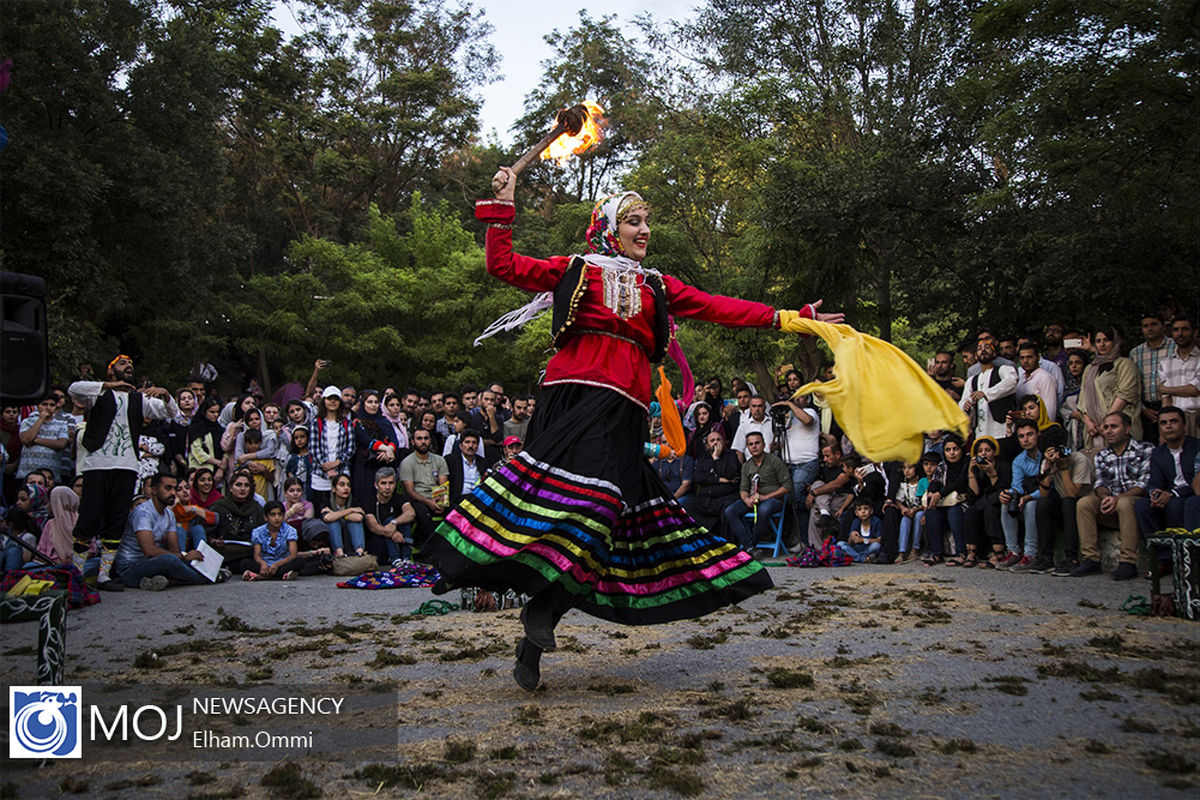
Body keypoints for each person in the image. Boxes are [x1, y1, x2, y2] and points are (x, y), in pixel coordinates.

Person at [423, 170, 842, 691]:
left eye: (647, 222)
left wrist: (790, 317)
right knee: (590, 510)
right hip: (574, 401)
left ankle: (536, 632)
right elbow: (501, 264)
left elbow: (719, 307)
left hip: (623, 414)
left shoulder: (656, 285)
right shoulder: (576, 269)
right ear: (608, 227)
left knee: (605, 530)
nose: (644, 230)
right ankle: (493, 579)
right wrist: (501, 207)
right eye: (633, 221)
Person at [69, 355, 179, 556]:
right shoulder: (97, 394)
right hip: (97, 465)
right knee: (89, 518)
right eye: (123, 363)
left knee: (116, 521)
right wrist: (108, 385)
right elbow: (74, 389)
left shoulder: (139, 399)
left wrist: (165, 394)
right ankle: (78, 573)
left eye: (131, 364)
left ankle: (104, 575)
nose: (129, 366)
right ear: (111, 371)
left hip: (127, 466)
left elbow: (171, 412)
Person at [1071, 412, 1153, 580]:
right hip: (1111, 504)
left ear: (1128, 428)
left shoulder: (1145, 449)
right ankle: (1091, 558)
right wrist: (1105, 496)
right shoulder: (1102, 454)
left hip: (1134, 505)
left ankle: (1128, 561)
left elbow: (1143, 485)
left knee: (1124, 503)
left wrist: (1118, 498)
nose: (1108, 431)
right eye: (1106, 427)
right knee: (1084, 503)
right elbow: (1100, 483)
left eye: (1114, 427)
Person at [112, 472, 210, 590]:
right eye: (168, 488)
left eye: (174, 488)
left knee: (177, 544)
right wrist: (184, 556)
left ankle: (170, 578)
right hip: (131, 568)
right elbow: (150, 550)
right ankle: (204, 578)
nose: (173, 493)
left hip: (153, 563)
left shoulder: (169, 513)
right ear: (154, 490)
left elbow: (174, 549)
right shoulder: (143, 513)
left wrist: (183, 556)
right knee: (169, 560)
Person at [1134, 407, 1198, 544]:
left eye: (1173, 421)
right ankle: (1162, 557)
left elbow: (1196, 483)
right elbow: (1155, 481)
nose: (1168, 426)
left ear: (1184, 425)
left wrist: (1173, 493)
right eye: (1163, 423)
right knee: (1142, 506)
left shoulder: (1196, 447)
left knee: (1177, 504)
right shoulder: (1157, 453)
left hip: (1190, 496)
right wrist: (1154, 493)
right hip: (1169, 497)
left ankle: (1186, 556)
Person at [1078, 325, 1142, 450]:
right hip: (1093, 429)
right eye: (1098, 341)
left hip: (1118, 424)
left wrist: (1106, 424)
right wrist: (1088, 422)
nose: (1102, 344)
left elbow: (1125, 394)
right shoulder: (1090, 368)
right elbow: (1083, 400)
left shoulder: (1125, 364)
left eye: (1106, 340)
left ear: (1115, 342)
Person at [722, 431, 790, 550]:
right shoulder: (746, 466)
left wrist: (766, 497)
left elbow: (787, 486)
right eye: (751, 444)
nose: (754, 446)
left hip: (773, 500)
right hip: (753, 499)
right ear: (747, 447)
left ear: (763, 444)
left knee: (764, 509)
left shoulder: (775, 461)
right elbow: (743, 489)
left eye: (757, 443)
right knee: (730, 511)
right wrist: (746, 499)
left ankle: (751, 545)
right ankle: (750, 547)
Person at [398, 428, 449, 551]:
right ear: (413, 442)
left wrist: (441, 502)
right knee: (423, 513)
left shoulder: (439, 460)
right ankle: (428, 550)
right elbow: (410, 491)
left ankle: (450, 550)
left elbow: (443, 484)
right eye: (419, 439)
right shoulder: (407, 462)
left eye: (426, 438)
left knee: (454, 512)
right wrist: (429, 503)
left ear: (430, 441)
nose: (423, 442)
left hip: (437, 497)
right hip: (418, 499)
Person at [1130, 311, 1176, 442]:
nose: (1150, 328)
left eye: (1154, 324)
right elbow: (1133, 385)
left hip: (1173, 405)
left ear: (1163, 326)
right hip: (1146, 410)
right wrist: (1144, 409)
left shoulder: (1175, 347)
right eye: (1146, 326)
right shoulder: (1135, 353)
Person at [351, 390, 401, 505]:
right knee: (365, 496)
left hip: (384, 463)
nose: (373, 405)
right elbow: (365, 439)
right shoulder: (358, 422)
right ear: (363, 404)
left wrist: (388, 451)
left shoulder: (385, 422)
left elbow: (394, 440)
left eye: (376, 402)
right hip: (365, 465)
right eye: (369, 402)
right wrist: (387, 449)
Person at [309, 385, 355, 511]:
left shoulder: (346, 423)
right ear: (324, 401)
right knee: (322, 511)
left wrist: (337, 462)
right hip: (320, 476)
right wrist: (325, 466)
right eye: (330, 398)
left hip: (341, 473)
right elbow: (313, 448)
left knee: (341, 511)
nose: (333, 402)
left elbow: (350, 447)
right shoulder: (316, 422)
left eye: (336, 399)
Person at [961, 340, 1018, 440]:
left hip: (1001, 430)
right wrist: (966, 405)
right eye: (979, 349)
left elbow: (1011, 382)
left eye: (987, 347)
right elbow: (963, 401)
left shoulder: (1003, 370)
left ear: (994, 353)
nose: (983, 350)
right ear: (975, 356)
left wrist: (986, 393)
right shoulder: (972, 380)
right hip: (980, 432)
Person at [688, 429, 740, 534]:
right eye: (712, 441)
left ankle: (726, 542)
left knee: (728, 510)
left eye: (718, 439)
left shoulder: (731, 455)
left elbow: (730, 475)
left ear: (723, 442)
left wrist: (716, 459)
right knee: (688, 506)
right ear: (707, 445)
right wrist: (719, 479)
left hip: (726, 497)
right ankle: (711, 532)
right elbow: (698, 478)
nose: (716, 442)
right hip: (707, 498)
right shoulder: (703, 458)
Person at [1157, 315, 1200, 437]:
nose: (1180, 333)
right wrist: (1163, 430)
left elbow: (1194, 389)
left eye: (1185, 329)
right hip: (1174, 420)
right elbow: (1166, 400)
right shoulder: (1165, 363)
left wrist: (1166, 389)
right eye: (1176, 330)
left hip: (1197, 417)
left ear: (1195, 331)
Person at [364, 467, 415, 565]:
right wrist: (392, 532)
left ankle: (406, 559)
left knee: (402, 521)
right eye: (383, 483)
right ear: (376, 485)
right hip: (379, 542)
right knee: (389, 521)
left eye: (391, 483)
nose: (387, 487)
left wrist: (394, 523)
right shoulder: (369, 502)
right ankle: (396, 559)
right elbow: (373, 526)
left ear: (395, 484)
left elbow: (410, 513)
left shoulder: (400, 498)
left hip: (401, 539)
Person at [240, 501, 302, 581]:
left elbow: (293, 555)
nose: (277, 518)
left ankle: (261, 577)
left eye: (280, 514)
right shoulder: (258, 531)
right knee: (244, 563)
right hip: (265, 563)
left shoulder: (290, 530)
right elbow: (257, 555)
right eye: (273, 515)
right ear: (266, 517)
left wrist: (277, 564)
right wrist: (263, 564)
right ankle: (280, 576)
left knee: (299, 562)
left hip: (282, 563)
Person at [17, 394, 70, 486]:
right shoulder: (27, 422)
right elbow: (26, 440)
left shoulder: (61, 424)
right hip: (27, 473)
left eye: (52, 405)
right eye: (44, 404)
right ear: (38, 406)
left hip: (51, 476)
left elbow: (61, 444)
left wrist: (37, 440)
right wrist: (41, 419)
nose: (48, 407)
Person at [321, 473, 365, 557]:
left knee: (354, 522)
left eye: (348, 485)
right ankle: (339, 553)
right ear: (334, 489)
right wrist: (350, 510)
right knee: (333, 522)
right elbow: (327, 518)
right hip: (333, 535)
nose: (346, 488)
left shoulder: (353, 500)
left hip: (349, 533)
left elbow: (359, 518)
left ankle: (359, 552)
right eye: (342, 485)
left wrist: (335, 514)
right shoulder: (327, 501)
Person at [36, 485, 80, 565]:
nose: (47, 506)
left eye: (50, 502)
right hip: (52, 564)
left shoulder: (81, 522)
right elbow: (41, 552)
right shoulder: (50, 524)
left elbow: (91, 551)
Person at [837, 497, 881, 562]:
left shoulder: (876, 521)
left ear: (871, 511)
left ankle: (857, 557)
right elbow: (850, 543)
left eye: (866, 509)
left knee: (876, 546)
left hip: (869, 548)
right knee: (840, 544)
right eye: (859, 509)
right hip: (857, 548)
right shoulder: (856, 522)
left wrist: (863, 540)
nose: (863, 512)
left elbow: (880, 540)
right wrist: (852, 537)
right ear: (856, 513)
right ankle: (863, 558)